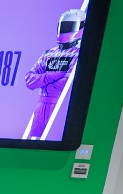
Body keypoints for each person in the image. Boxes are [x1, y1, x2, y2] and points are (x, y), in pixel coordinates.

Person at [23, 8, 84, 139]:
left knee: (55, 141)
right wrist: (51, 77)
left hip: (61, 106)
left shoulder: (79, 53)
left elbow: (68, 83)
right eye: (63, 26)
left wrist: (42, 83)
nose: (65, 30)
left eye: (70, 26)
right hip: (41, 107)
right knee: (33, 142)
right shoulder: (49, 53)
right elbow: (29, 79)